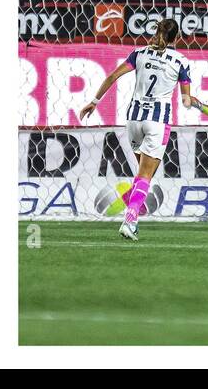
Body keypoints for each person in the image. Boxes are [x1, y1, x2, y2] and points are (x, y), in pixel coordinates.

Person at [79, 18, 195, 242]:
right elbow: (186, 100)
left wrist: (94, 101)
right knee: (145, 175)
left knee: (142, 174)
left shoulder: (139, 53)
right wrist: (197, 103)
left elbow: (113, 75)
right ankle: (129, 220)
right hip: (157, 122)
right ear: (177, 38)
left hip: (133, 120)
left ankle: (132, 216)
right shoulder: (181, 61)